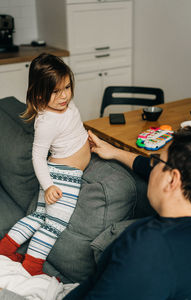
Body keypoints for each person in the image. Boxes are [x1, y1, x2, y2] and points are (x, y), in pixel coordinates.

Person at [63, 126, 191, 300]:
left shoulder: (152, 248)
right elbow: (144, 166)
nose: (152, 168)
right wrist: (114, 151)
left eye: (157, 162)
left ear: (173, 179)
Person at [0, 53, 91, 276]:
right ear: (40, 93)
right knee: (53, 226)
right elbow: (38, 156)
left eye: (67, 87)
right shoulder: (46, 122)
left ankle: (4, 248)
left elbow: (72, 127)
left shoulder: (65, 105)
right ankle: (32, 267)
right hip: (63, 179)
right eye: (55, 91)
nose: (64, 96)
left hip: (59, 174)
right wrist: (49, 185)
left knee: (38, 217)